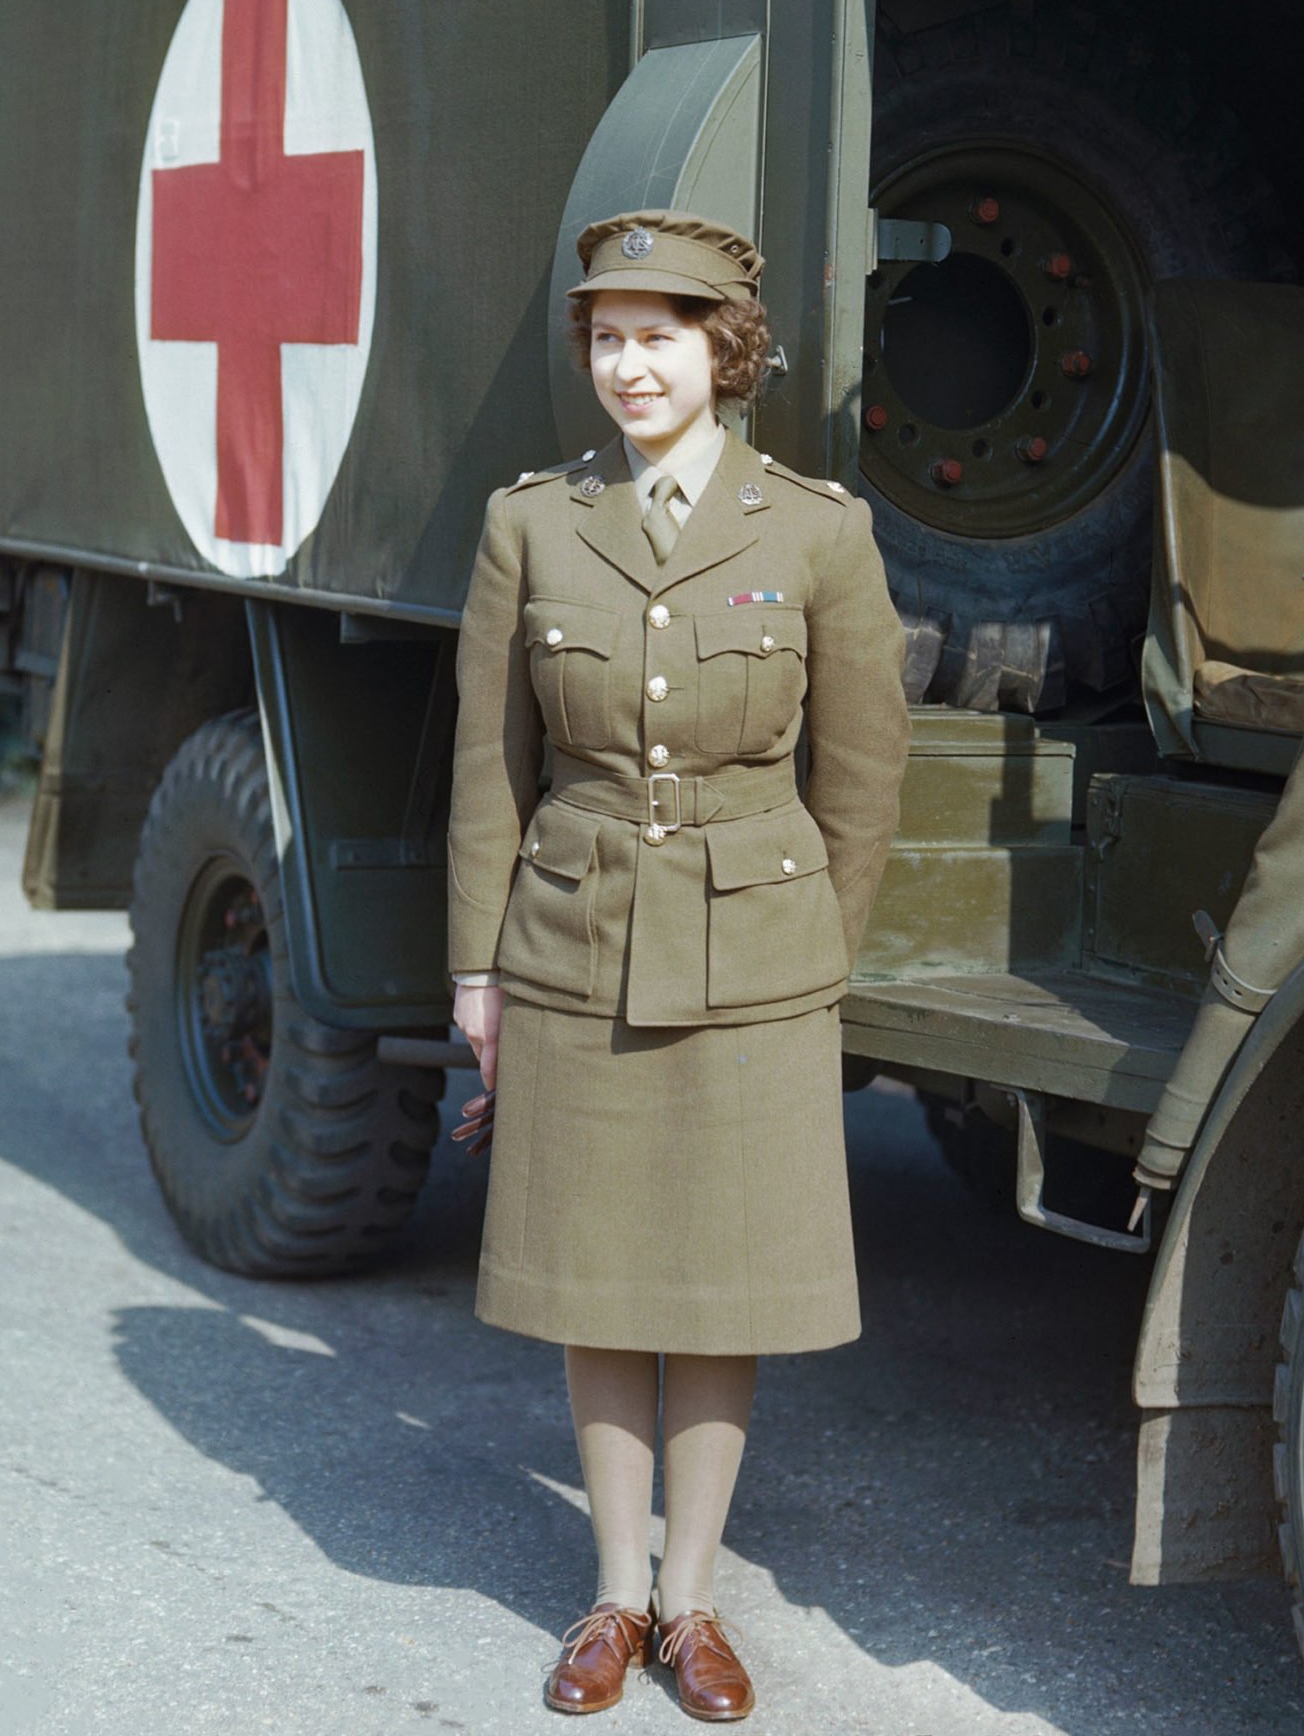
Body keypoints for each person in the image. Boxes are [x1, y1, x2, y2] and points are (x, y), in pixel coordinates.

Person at [447, 210, 910, 1720]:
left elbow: (862, 778)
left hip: (754, 952)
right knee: (600, 1274)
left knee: (721, 1287)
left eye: (659, 335)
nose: (628, 365)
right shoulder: (532, 522)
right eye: (605, 337)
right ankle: (611, 1596)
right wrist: (477, 974)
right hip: (574, 939)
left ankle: (694, 1605)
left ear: (726, 350)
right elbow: (486, 770)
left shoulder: (818, 531)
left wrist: (808, 957)